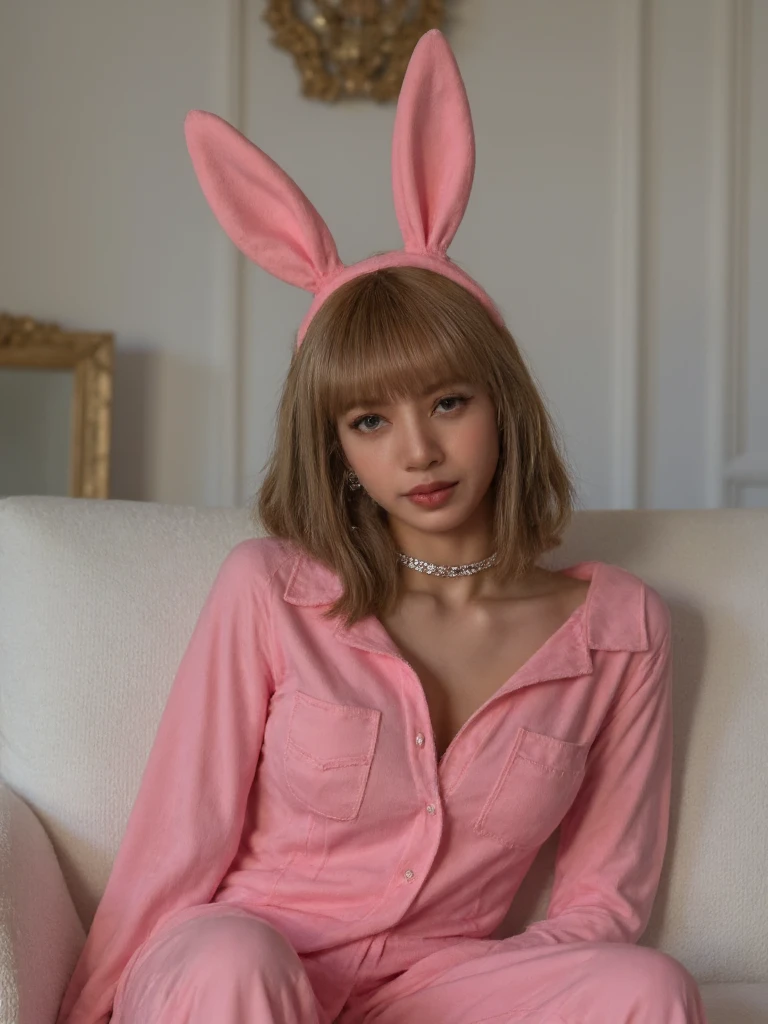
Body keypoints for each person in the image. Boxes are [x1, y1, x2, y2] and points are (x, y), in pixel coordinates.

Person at [55, 29, 710, 1024]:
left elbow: (598, 902)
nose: (419, 451)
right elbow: (173, 845)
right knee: (236, 958)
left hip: (438, 990)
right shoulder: (269, 591)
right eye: (371, 420)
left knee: (645, 988)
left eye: (448, 402)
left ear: (503, 402)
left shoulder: (622, 629)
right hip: (244, 972)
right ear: (338, 450)